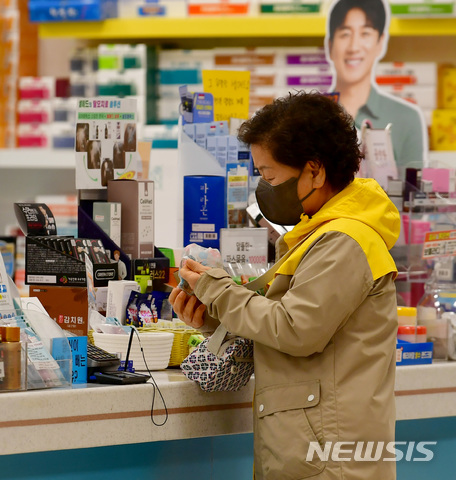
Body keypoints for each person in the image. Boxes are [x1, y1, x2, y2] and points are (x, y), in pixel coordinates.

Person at [169, 92, 400, 479]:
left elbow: (296, 330)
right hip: (308, 449)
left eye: (269, 175)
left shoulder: (346, 240)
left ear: (315, 171)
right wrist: (213, 315)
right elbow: (291, 327)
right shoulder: (317, 235)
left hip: (331, 460)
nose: (263, 186)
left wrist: (218, 291)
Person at [326, 0, 427, 174]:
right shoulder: (311, 117)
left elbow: (413, 191)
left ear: (381, 43)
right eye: (345, 34)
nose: (354, 47)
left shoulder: (407, 118)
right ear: (330, 45)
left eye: (365, 33)